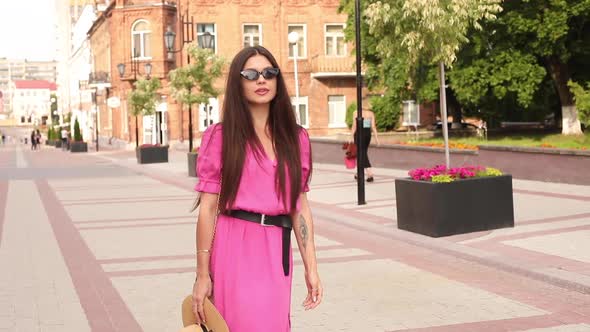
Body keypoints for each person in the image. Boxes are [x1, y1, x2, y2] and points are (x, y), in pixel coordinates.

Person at [192, 45, 323, 331]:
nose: (261, 79)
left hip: (277, 249)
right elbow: (208, 209)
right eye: (250, 74)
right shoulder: (220, 137)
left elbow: (299, 207)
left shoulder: (296, 138)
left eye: (269, 73)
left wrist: (311, 267)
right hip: (234, 246)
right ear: (238, 84)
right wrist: (202, 273)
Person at [350, 107, 380, 182]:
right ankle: (358, 173)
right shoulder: (370, 113)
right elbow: (372, 127)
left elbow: (354, 126)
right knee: (362, 153)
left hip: (359, 134)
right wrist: (377, 139)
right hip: (367, 135)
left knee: (361, 153)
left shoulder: (356, 112)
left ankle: (370, 173)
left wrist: (351, 137)